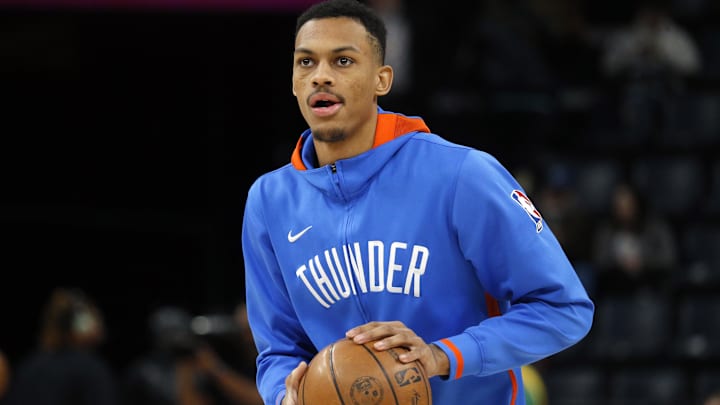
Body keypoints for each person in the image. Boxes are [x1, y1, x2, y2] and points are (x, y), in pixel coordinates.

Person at [240, 1, 595, 404]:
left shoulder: (462, 174)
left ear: (382, 80)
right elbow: (279, 351)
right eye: (306, 63)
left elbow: (563, 309)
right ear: (293, 81)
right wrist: (289, 397)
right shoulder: (268, 201)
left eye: (342, 61)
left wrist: (441, 356)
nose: (320, 76)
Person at [3, 287, 117, 405]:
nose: (98, 322)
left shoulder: (27, 367)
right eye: (93, 317)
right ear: (80, 325)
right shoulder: (91, 370)